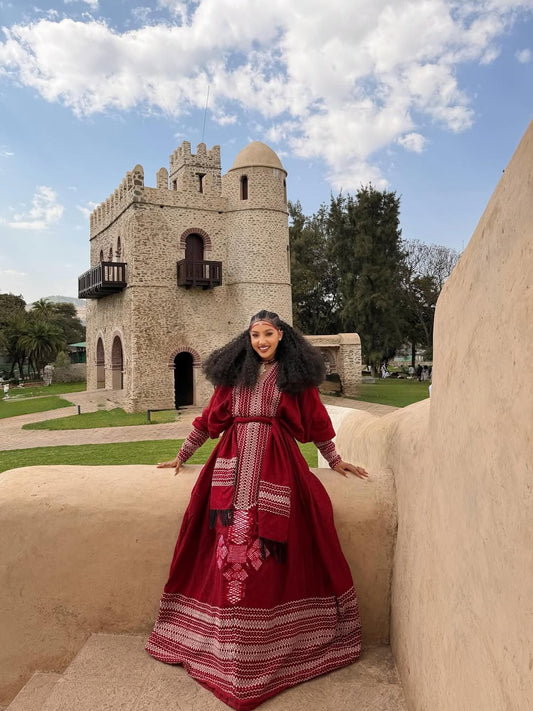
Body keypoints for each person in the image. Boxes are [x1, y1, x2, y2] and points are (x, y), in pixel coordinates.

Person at [146, 310, 369, 710]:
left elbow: (317, 426)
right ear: (247, 339)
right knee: (222, 555)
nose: (262, 341)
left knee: (269, 557)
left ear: (281, 335)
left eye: (268, 333)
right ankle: (220, 646)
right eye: (255, 335)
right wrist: (181, 456)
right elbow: (209, 421)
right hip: (229, 469)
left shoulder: (295, 379)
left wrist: (336, 461)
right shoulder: (236, 377)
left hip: (278, 466)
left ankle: (270, 648)